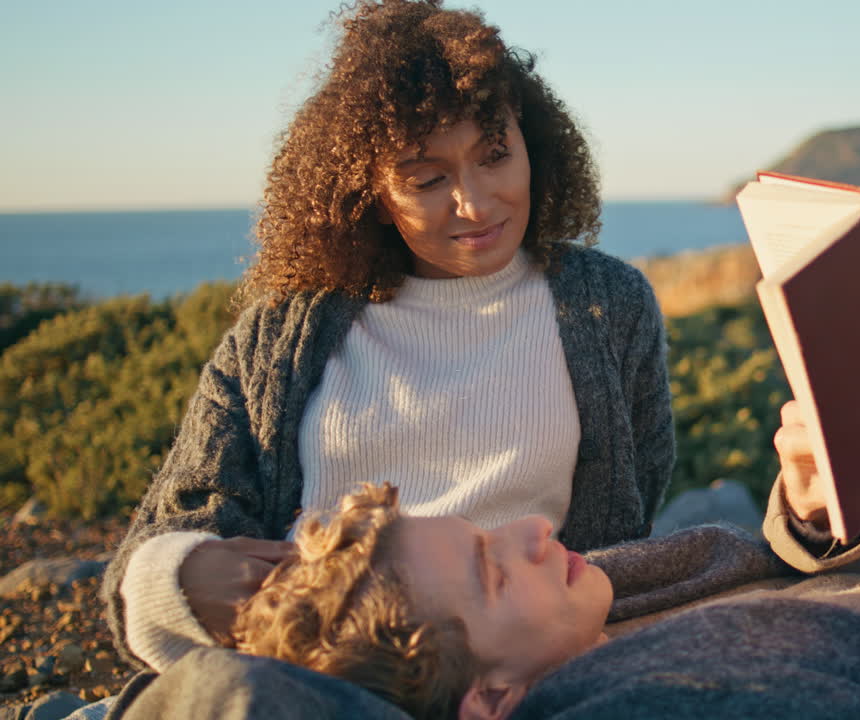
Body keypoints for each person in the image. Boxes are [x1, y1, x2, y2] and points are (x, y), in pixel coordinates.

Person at [104, 353, 860, 720]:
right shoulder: (671, 703)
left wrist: (815, 511)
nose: (523, 529)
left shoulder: (578, 618)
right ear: (491, 699)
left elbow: (780, 577)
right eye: (484, 565)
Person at [100, 0, 674, 674]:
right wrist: (179, 580)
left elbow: (627, 534)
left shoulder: (609, 306)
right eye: (427, 178)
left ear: (532, 144)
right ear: (368, 191)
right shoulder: (280, 338)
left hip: (532, 674)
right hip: (321, 683)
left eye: (495, 156)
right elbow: (155, 552)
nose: (476, 203)